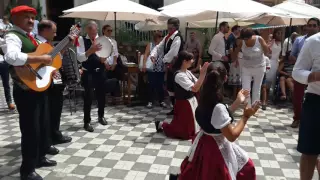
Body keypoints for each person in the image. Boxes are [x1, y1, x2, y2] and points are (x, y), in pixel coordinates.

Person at [170, 61, 260, 180]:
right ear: (226, 78)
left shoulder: (203, 98)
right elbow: (231, 136)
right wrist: (245, 117)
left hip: (204, 144)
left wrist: (238, 101)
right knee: (246, 168)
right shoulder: (217, 106)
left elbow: (220, 116)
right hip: (215, 148)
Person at [2, 6, 56, 180]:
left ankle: (39, 158)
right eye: (26, 17)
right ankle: (27, 171)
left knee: (42, 126)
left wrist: (48, 69)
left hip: (38, 86)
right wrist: (41, 59)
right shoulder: (12, 36)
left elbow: (38, 63)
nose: (31, 21)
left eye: (33, 18)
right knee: (30, 130)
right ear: (15, 19)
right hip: (25, 91)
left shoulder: (30, 38)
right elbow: (11, 56)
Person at [35, 20, 72, 156]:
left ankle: (54, 135)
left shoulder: (48, 44)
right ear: (44, 31)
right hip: (43, 81)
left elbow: (54, 58)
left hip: (53, 80)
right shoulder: (37, 44)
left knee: (56, 108)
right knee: (48, 112)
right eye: (54, 31)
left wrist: (64, 47)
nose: (55, 34)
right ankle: (47, 140)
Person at [154, 51, 209, 140]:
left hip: (191, 102)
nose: (193, 61)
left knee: (193, 128)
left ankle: (162, 125)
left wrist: (203, 74)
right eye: (191, 59)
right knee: (183, 133)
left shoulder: (187, 72)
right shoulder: (179, 75)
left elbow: (198, 83)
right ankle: (161, 124)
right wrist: (202, 74)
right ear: (184, 61)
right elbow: (195, 88)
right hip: (184, 104)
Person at [292, 31, 320, 180]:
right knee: (309, 152)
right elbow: (297, 72)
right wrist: (314, 76)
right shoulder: (314, 41)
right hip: (316, 101)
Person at [76, 21, 108, 132]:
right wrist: (90, 50)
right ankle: (87, 121)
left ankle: (101, 116)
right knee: (88, 97)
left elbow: (107, 53)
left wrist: (105, 59)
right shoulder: (81, 40)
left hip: (100, 70)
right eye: (91, 32)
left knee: (101, 95)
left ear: (97, 30)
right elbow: (79, 58)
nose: (93, 35)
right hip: (87, 71)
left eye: (94, 32)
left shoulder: (102, 40)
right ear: (87, 31)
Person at [289, 18, 319, 128]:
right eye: (309, 25)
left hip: (316, 77)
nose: (311, 28)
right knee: (298, 96)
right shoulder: (299, 40)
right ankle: (297, 118)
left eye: (314, 25)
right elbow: (292, 56)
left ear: (318, 27)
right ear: (306, 27)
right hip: (302, 72)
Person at [150, 17, 183, 115]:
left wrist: (164, 61)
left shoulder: (177, 37)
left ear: (175, 27)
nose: (168, 29)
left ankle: (179, 109)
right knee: (170, 88)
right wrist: (153, 55)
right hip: (170, 67)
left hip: (177, 67)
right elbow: (159, 47)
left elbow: (173, 52)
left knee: (176, 88)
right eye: (168, 27)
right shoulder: (167, 37)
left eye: (170, 28)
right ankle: (174, 108)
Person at [233, 28, 269, 108]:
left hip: (259, 67)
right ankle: (247, 108)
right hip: (246, 68)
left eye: (247, 39)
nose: (245, 41)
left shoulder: (259, 39)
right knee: (246, 89)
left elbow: (267, 52)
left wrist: (266, 47)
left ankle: (255, 108)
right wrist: (235, 60)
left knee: (256, 88)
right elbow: (236, 52)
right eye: (244, 39)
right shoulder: (242, 42)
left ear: (251, 36)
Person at [142, 31, 166, 108]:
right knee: (151, 84)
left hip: (160, 68)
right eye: (160, 36)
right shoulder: (150, 45)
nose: (162, 38)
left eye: (162, 36)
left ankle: (161, 101)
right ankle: (150, 101)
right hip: (152, 68)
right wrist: (144, 64)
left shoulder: (163, 46)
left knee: (160, 85)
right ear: (156, 37)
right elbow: (146, 54)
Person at [227, 25, 241, 100]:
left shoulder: (233, 37)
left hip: (236, 60)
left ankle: (235, 96)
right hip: (235, 61)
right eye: (238, 30)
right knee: (236, 79)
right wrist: (234, 59)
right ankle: (234, 96)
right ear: (234, 30)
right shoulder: (232, 38)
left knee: (237, 79)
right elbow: (231, 49)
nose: (239, 31)